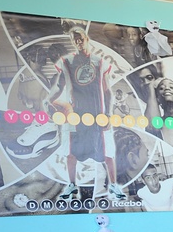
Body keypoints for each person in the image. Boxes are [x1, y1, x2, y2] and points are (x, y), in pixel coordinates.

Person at [44, 26, 125, 202]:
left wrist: (109, 114)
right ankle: (72, 185)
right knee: (71, 152)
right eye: (75, 39)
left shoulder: (99, 61)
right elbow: (59, 86)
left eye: (80, 38)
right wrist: (47, 99)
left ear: (87, 38)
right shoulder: (67, 62)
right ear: (73, 42)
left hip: (98, 115)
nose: (78, 42)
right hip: (76, 114)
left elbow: (108, 91)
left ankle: (113, 185)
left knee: (107, 153)